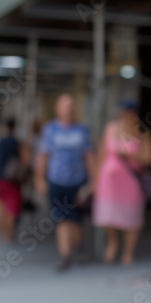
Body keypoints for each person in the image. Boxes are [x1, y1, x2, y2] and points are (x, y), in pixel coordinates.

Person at [35, 94, 96, 271]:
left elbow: (89, 156)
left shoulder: (83, 130)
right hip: (57, 180)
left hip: (77, 181)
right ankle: (65, 255)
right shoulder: (50, 129)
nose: (68, 109)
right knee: (61, 218)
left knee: (76, 219)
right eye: (65, 105)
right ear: (58, 109)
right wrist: (39, 178)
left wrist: (94, 179)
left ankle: (77, 246)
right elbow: (43, 156)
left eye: (71, 105)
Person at [93, 100, 151, 265]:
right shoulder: (111, 129)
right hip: (110, 184)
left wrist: (130, 155)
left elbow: (149, 159)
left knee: (131, 216)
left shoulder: (142, 132)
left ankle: (128, 252)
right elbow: (101, 155)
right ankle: (113, 243)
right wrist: (96, 180)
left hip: (131, 182)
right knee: (107, 215)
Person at [0, 118, 31, 242]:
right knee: (12, 207)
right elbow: (26, 159)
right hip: (13, 179)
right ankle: (9, 234)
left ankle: (1, 231)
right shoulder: (18, 142)